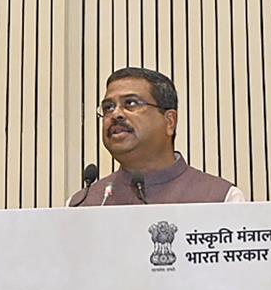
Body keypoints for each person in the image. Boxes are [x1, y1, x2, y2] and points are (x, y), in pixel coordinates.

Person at [68, 67, 245, 206]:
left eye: (130, 103)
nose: (116, 114)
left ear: (169, 122)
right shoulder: (83, 205)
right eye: (108, 107)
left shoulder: (221, 199)